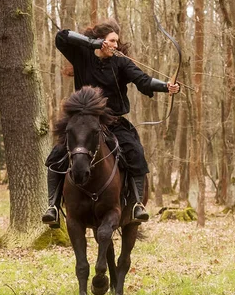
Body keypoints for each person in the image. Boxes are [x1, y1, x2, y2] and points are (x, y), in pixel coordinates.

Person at [42, 19, 180, 227]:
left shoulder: (120, 62)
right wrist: (91, 44)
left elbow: (142, 80)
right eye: (111, 41)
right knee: (56, 156)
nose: (115, 45)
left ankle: (136, 205)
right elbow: (62, 37)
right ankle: (52, 206)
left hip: (113, 122)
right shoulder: (83, 57)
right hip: (83, 122)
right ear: (99, 41)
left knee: (135, 153)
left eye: (117, 41)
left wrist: (166, 86)